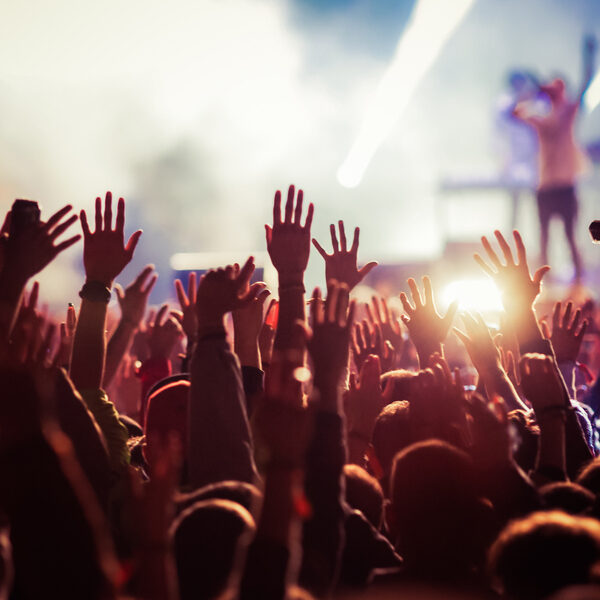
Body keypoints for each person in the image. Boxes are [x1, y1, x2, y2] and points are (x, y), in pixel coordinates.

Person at [513, 35, 597, 281]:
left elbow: (585, 84)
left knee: (571, 237)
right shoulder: (540, 116)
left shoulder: (568, 111)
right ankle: (543, 284)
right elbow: (516, 113)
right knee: (544, 239)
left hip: (565, 186)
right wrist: (533, 93)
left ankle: (578, 283)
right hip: (545, 187)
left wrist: (589, 56)